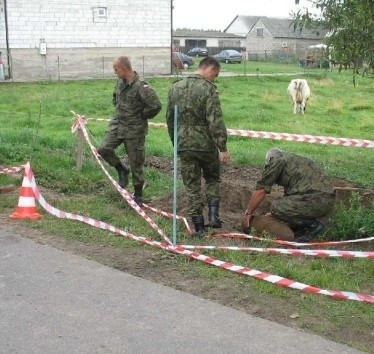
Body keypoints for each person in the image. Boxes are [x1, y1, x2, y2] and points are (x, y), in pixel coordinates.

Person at [166, 56, 230, 237]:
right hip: (205, 144)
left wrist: (175, 142)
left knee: (191, 186)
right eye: (215, 75)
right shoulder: (208, 90)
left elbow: (170, 119)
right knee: (212, 178)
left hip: (184, 144)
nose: (215, 79)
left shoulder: (175, 87)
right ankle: (213, 217)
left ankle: (199, 226)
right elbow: (215, 120)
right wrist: (222, 147)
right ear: (209, 69)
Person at [98, 56, 162, 206]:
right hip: (118, 125)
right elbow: (116, 99)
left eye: (116, 70)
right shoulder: (120, 83)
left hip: (134, 130)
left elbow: (156, 105)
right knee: (103, 148)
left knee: (136, 163)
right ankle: (121, 169)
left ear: (124, 68)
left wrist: (141, 116)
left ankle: (138, 194)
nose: (115, 73)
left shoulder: (141, 86)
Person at [242, 148, 335, 242]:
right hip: (326, 200)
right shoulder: (294, 162)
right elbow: (291, 198)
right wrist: (276, 215)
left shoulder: (276, 161)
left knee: (276, 207)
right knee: (280, 208)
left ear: (270, 160)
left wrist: (248, 213)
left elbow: (261, 190)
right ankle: (301, 229)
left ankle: (313, 226)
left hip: (314, 199)